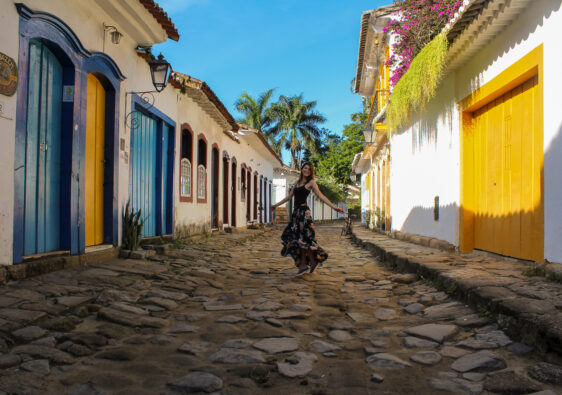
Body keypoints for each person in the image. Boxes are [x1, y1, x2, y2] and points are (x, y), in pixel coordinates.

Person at [271, 162, 345, 276]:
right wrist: (276, 205)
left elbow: (322, 196)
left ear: (311, 172)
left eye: (309, 169)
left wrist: (335, 207)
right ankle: (310, 262)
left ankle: (304, 265)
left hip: (304, 214)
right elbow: (289, 197)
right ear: (302, 169)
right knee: (296, 238)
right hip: (296, 214)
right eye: (305, 168)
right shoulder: (297, 183)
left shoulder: (311, 182)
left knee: (304, 239)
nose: (306, 170)